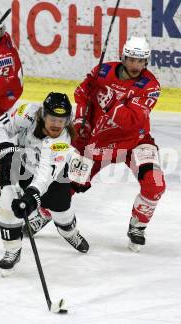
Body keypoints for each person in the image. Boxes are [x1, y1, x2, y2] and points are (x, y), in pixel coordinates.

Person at [71, 36, 166, 252]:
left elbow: (132, 120)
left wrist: (110, 102)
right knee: (68, 183)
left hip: (135, 142)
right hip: (98, 142)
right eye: (131, 59)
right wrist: (80, 120)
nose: (135, 65)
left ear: (146, 62)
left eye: (140, 61)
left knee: (155, 184)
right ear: (123, 57)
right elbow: (82, 94)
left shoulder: (151, 86)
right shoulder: (102, 72)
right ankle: (44, 214)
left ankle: (138, 226)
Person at [0, 92, 89, 276]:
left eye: (62, 120)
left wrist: (31, 197)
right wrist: (4, 146)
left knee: (62, 212)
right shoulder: (26, 113)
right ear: (43, 115)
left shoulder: (61, 141)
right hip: (22, 166)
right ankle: (12, 249)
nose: (57, 124)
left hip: (52, 178)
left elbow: (44, 176)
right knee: (7, 201)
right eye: (52, 118)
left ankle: (69, 232)